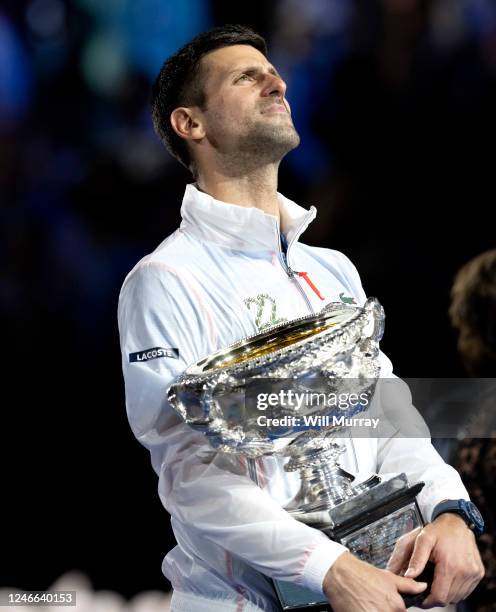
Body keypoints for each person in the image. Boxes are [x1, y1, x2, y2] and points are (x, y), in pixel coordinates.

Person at [117, 25, 484, 612]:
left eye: (273, 71)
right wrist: (326, 567)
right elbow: (192, 473)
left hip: (375, 586)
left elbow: (387, 412)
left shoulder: (332, 269)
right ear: (192, 123)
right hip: (247, 599)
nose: (276, 81)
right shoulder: (164, 280)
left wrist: (448, 507)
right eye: (246, 76)